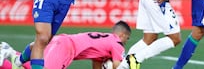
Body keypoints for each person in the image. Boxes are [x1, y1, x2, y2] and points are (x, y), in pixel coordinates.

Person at [0, 20, 131, 69]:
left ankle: (13, 54)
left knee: (38, 62)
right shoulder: (117, 42)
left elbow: (96, 65)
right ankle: (9, 56)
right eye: (127, 38)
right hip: (66, 48)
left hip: (63, 42)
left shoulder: (104, 41)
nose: (126, 42)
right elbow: (117, 66)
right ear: (122, 35)